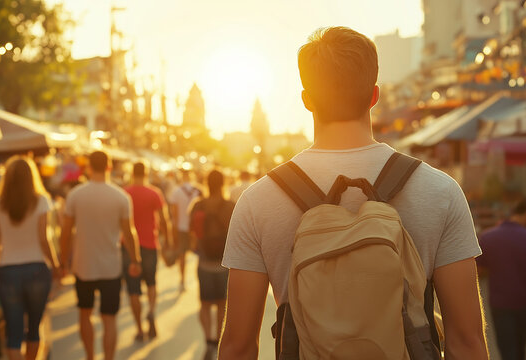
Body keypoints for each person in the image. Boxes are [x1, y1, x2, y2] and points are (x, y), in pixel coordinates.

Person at [219, 27, 488, 359]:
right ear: (374, 95)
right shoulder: (440, 191)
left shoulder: (258, 200)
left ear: (307, 100)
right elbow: (467, 341)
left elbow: (238, 345)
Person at [59, 150, 141, 360]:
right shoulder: (121, 196)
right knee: (109, 318)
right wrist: (135, 259)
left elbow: (66, 232)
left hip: (83, 264)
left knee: (85, 314)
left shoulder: (76, 195)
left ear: (88, 167)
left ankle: (89, 357)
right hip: (110, 266)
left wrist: (61, 262)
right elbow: (129, 232)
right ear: (109, 167)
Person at [0, 156, 60, 360]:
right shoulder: (41, 201)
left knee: (14, 332)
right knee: (34, 328)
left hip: (8, 271)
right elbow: (44, 238)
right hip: (37, 269)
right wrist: (55, 265)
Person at [477, 198, 526, 360]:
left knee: (507, 351)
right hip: (525, 304)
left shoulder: (488, 237)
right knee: (520, 350)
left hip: (500, 304)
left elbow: (477, 272)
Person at [123, 161, 172, 341]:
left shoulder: (125, 193)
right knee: (151, 282)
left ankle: (139, 329)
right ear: (146, 173)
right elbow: (164, 219)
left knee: (133, 289)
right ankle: (151, 311)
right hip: (150, 244)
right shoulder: (154, 193)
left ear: (132, 173)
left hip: (128, 246)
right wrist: (167, 240)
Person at [190, 170, 235, 360]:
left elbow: (193, 232)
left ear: (206, 183)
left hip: (204, 262)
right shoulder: (230, 206)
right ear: (223, 183)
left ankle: (208, 340)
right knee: (221, 305)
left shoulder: (198, 205)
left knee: (205, 304)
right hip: (224, 264)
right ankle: (217, 340)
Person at [169, 168, 202, 291]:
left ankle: (182, 280)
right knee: (199, 255)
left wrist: (174, 231)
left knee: (182, 255)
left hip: (182, 228)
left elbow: (175, 215)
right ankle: (198, 280)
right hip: (196, 229)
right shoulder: (198, 190)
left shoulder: (176, 191)